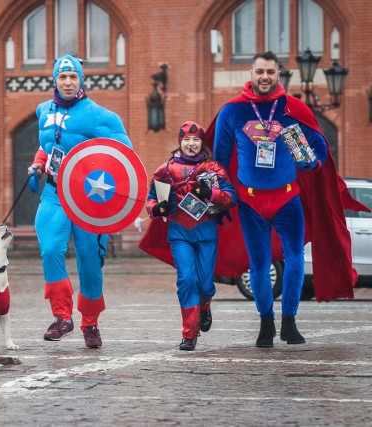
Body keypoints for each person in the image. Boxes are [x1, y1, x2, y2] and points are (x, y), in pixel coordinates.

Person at [210, 51, 367, 347]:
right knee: (259, 264)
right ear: (251, 73)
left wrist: (313, 164)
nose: (265, 77)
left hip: (286, 198)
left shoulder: (293, 108)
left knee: (295, 259)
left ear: (278, 74)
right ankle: (266, 323)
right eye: (259, 72)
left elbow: (320, 147)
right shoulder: (232, 111)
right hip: (250, 201)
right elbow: (219, 159)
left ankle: (289, 322)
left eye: (270, 71)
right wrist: (221, 196)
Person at [27, 54, 132, 349]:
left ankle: (90, 323)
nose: (68, 82)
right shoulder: (42, 111)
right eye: (63, 77)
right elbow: (47, 146)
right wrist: (37, 163)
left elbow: (124, 155)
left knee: (89, 263)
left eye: (73, 77)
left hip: (89, 198)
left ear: (81, 80)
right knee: (50, 251)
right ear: (54, 80)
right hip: (54, 192)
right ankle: (62, 317)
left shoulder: (101, 116)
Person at [144, 121, 236, 351]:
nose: (191, 144)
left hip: (206, 232)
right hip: (179, 233)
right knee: (186, 279)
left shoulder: (214, 168)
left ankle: (205, 306)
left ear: (201, 143)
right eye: (186, 140)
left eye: (195, 140)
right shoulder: (165, 170)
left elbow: (231, 197)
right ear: (180, 143)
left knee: (205, 283)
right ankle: (189, 333)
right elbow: (152, 198)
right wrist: (157, 208)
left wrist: (211, 193)